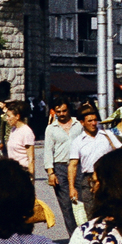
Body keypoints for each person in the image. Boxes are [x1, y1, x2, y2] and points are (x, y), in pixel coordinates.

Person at [69, 105, 122, 221]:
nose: (94, 123)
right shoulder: (77, 142)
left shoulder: (107, 135)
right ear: (82, 123)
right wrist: (72, 187)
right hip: (88, 180)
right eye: (90, 121)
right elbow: (73, 165)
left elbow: (121, 154)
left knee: (111, 212)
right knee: (92, 214)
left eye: (95, 120)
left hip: (108, 178)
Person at [44, 99, 83, 234]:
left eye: (64, 111)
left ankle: (86, 234)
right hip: (60, 167)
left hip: (79, 166)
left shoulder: (79, 124)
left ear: (69, 110)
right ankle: (74, 236)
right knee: (66, 205)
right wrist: (51, 173)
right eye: (58, 111)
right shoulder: (51, 128)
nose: (61, 114)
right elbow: (48, 151)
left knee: (82, 201)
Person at [4, 100, 38, 177]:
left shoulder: (26, 132)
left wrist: (31, 177)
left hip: (22, 171)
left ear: (17, 116)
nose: (7, 118)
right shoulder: (13, 130)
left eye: (9, 116)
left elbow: (31, 158)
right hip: (12, 171)